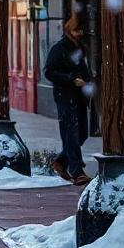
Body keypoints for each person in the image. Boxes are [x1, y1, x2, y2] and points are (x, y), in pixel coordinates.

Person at [44, 16, 93, 186]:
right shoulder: (59, 49)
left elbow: (84, 68)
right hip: (65, 96)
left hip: (79, 95)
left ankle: (60, 161)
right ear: (68, 31)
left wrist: (86, 80)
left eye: (80, 30)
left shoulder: (81, 48)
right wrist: (70, 79)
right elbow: (49, 72)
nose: (78, 33)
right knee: (71, 131)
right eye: (75, 30)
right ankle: (77, 171)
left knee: (82, 133)